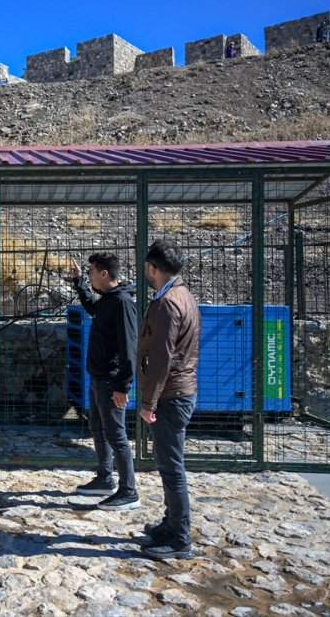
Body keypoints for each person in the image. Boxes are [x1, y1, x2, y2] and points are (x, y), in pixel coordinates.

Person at [137, 240, 201, 560]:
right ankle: (171, 523)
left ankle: (179, 537)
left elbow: (161, 358)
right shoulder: (184, 296)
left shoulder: (166, 304)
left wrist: (148, 403)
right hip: (180, 390)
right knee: (169, 466)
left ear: (152, 268)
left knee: (172, 468)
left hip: (170, 395)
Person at [68, 253, 140, 510]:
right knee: (97, 429)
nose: (89, 275)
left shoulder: (122, 303)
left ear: (104, 274)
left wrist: (123, 386)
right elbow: (91, 308)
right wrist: (79, 282)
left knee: (116, 436)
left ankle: (128, 491)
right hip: (98, 379)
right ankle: (104, 478)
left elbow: (130, 349)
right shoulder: (108, 300)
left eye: (91, 272)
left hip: (111, 382)